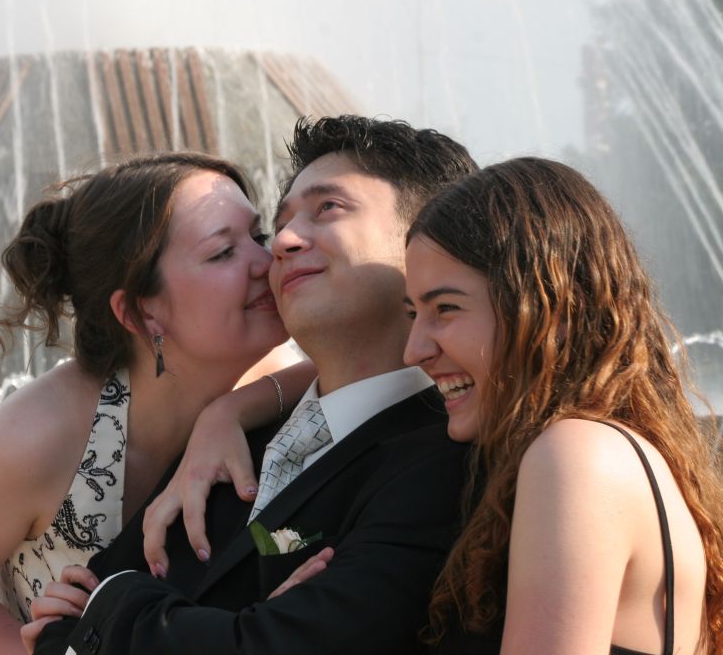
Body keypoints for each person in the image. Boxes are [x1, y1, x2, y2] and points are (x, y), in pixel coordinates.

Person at [30, 116, 479, 654]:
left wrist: (116, 603)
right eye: (279, 225)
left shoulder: (449, 459)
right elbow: (59, 628)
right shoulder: (227, 438)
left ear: (428, 237)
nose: (281, 243)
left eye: (327, 208)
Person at [0, 152, 311, 654]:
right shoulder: (39, 437)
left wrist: (231, 411)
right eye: (224, 252)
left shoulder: (275, 384)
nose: (269, 260)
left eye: (258, 236)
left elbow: (374, 366)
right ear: (140, 312)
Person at [401, 157, 723, 653]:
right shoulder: (603, 449)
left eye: (446, 308)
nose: (414, 350)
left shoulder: (576, 456)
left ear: (554, 308)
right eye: (413, 314)